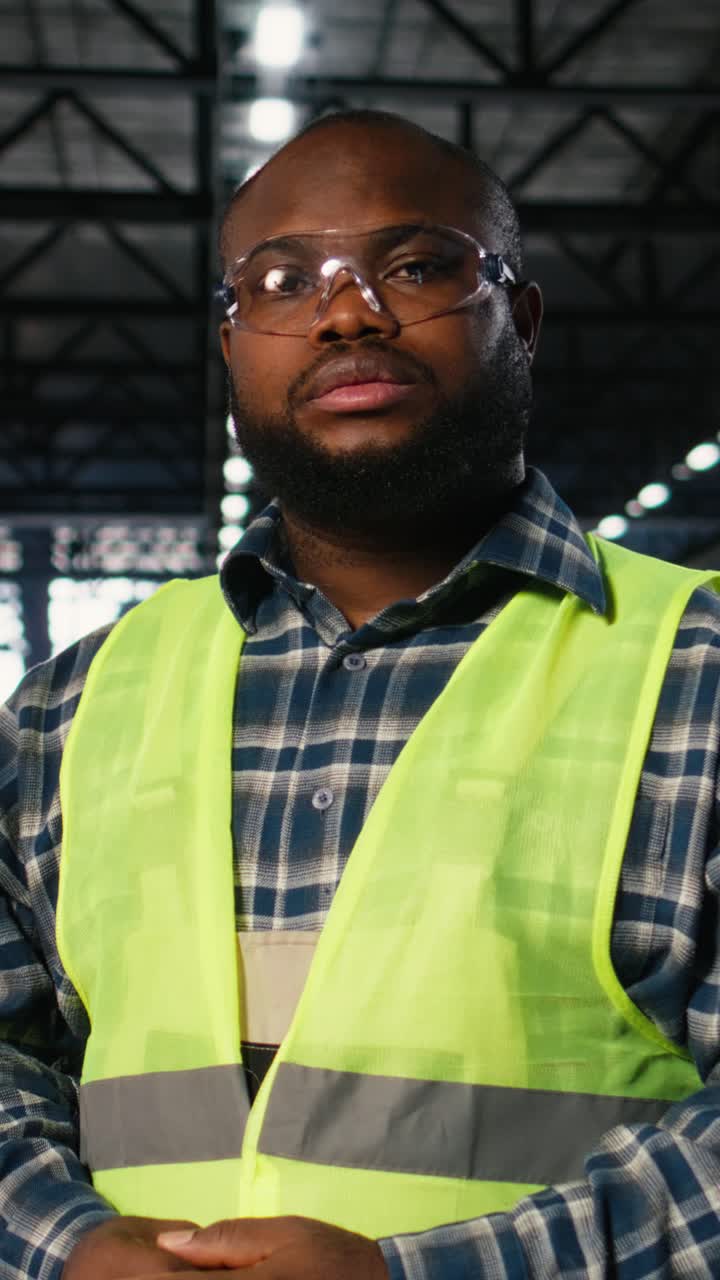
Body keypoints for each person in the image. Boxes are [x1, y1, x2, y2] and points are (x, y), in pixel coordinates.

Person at [1, 108, 720, 1280]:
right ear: (232, 345)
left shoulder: (692, 669)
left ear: (521, 320)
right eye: (282, 281)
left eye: (417, 266)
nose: (347, 311)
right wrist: (61, 1243)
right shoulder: (69, 708)